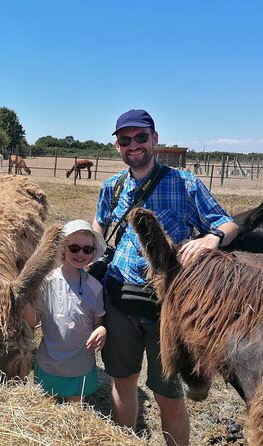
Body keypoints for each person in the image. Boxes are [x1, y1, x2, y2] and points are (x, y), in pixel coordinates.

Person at [92, 109, 239, 446]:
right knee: (123, 382)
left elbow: (228, 223)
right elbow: (100, 226)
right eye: (125, 140)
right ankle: (126, 439)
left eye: (141, 137)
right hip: (118, 300)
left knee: (168, 396)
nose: (134, 146)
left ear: (154, 139)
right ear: (117, 147)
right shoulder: (111, 187)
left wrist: (211, 238)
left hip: (167, 308)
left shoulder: (186, 183)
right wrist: (87, 247)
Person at [25, 220, 108, 403]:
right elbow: (33, 320)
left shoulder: (95, 288)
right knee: (46, 405)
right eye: (74, 248)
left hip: (79, 364)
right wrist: (24, 300)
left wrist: (101, 330)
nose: (80, 254)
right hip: (49, 362)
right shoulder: (47, 282)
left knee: (75, 406)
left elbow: (98, 321)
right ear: (63, 248)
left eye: (87, 250)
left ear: (93, 253)